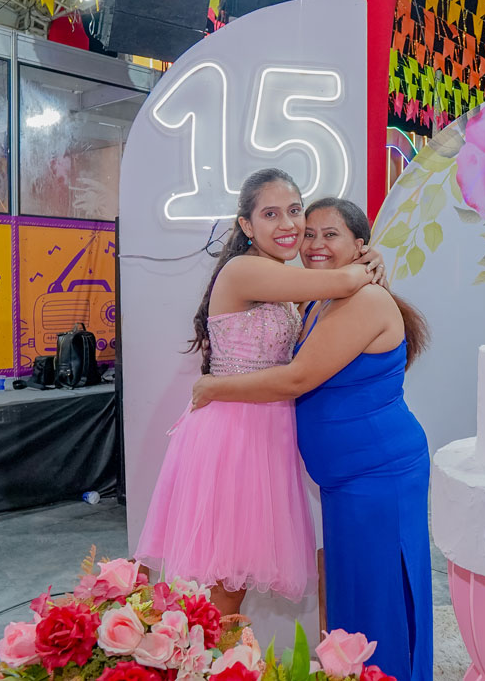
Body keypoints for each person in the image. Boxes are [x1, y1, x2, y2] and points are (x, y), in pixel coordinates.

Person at [192, 197, 433, 681]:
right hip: (347, 481)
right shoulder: (322, 298)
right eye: (310, 234)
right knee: (354, 590)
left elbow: (297, 378)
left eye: (331, 234)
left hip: (378, 475)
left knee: (379, 593)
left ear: (359, 245)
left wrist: (212, 387)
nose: (315, 243)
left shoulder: (364, 300)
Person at [134, 169, 379, 617]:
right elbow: (344, 282)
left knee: (236, 579)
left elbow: (337, 288)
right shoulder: (245, 270)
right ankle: (206, 654)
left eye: (294, 210)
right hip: (234, 432)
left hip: (268, 430)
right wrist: (370, 260)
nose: (288, 224)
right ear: (247, 225)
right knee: (225, 583)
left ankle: (218, 653)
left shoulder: (280, 277)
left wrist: (368, 258)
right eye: (271, 214)